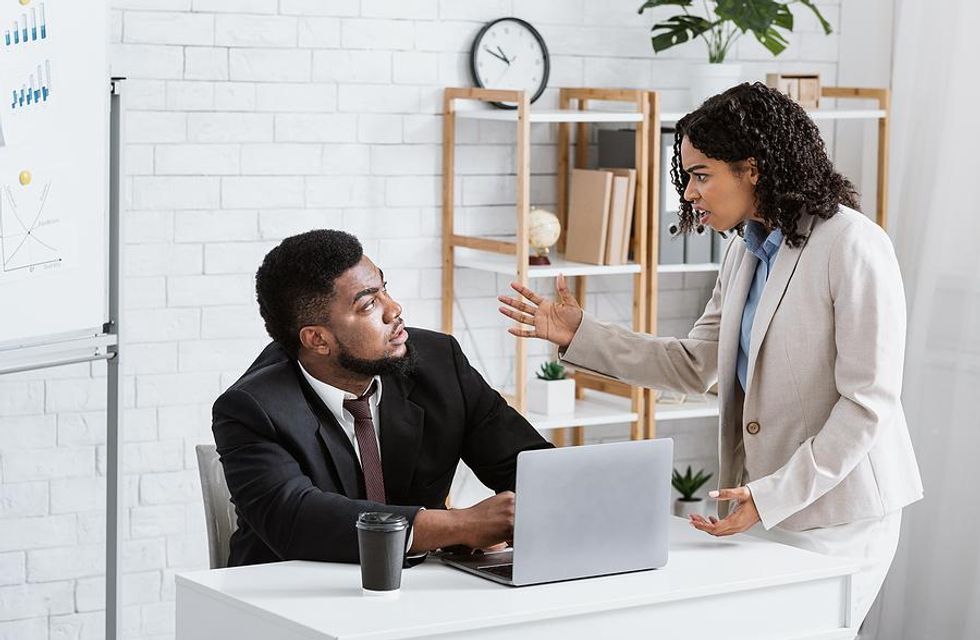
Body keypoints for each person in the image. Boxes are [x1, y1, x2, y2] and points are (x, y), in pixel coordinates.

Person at [498, 82, 922, 631]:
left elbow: (868, 402)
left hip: (839, 514)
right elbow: (695, 364)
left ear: (754, 168)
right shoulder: (745, 252)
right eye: (689, 176)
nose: (690, 193)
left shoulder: (852, 244)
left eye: (702, 175)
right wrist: (582, 335)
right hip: (761, 501)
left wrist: (771, 496)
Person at [213, 229, 550, 567]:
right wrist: (457, 526)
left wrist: (517, 518)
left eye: (384, 289)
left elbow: (531, 467)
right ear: (317, 339)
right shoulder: (251, 408)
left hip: (422, 591)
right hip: (287, 596)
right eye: (369, 304)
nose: (394, 309)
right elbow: (297, 518)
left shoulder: (440, 362)